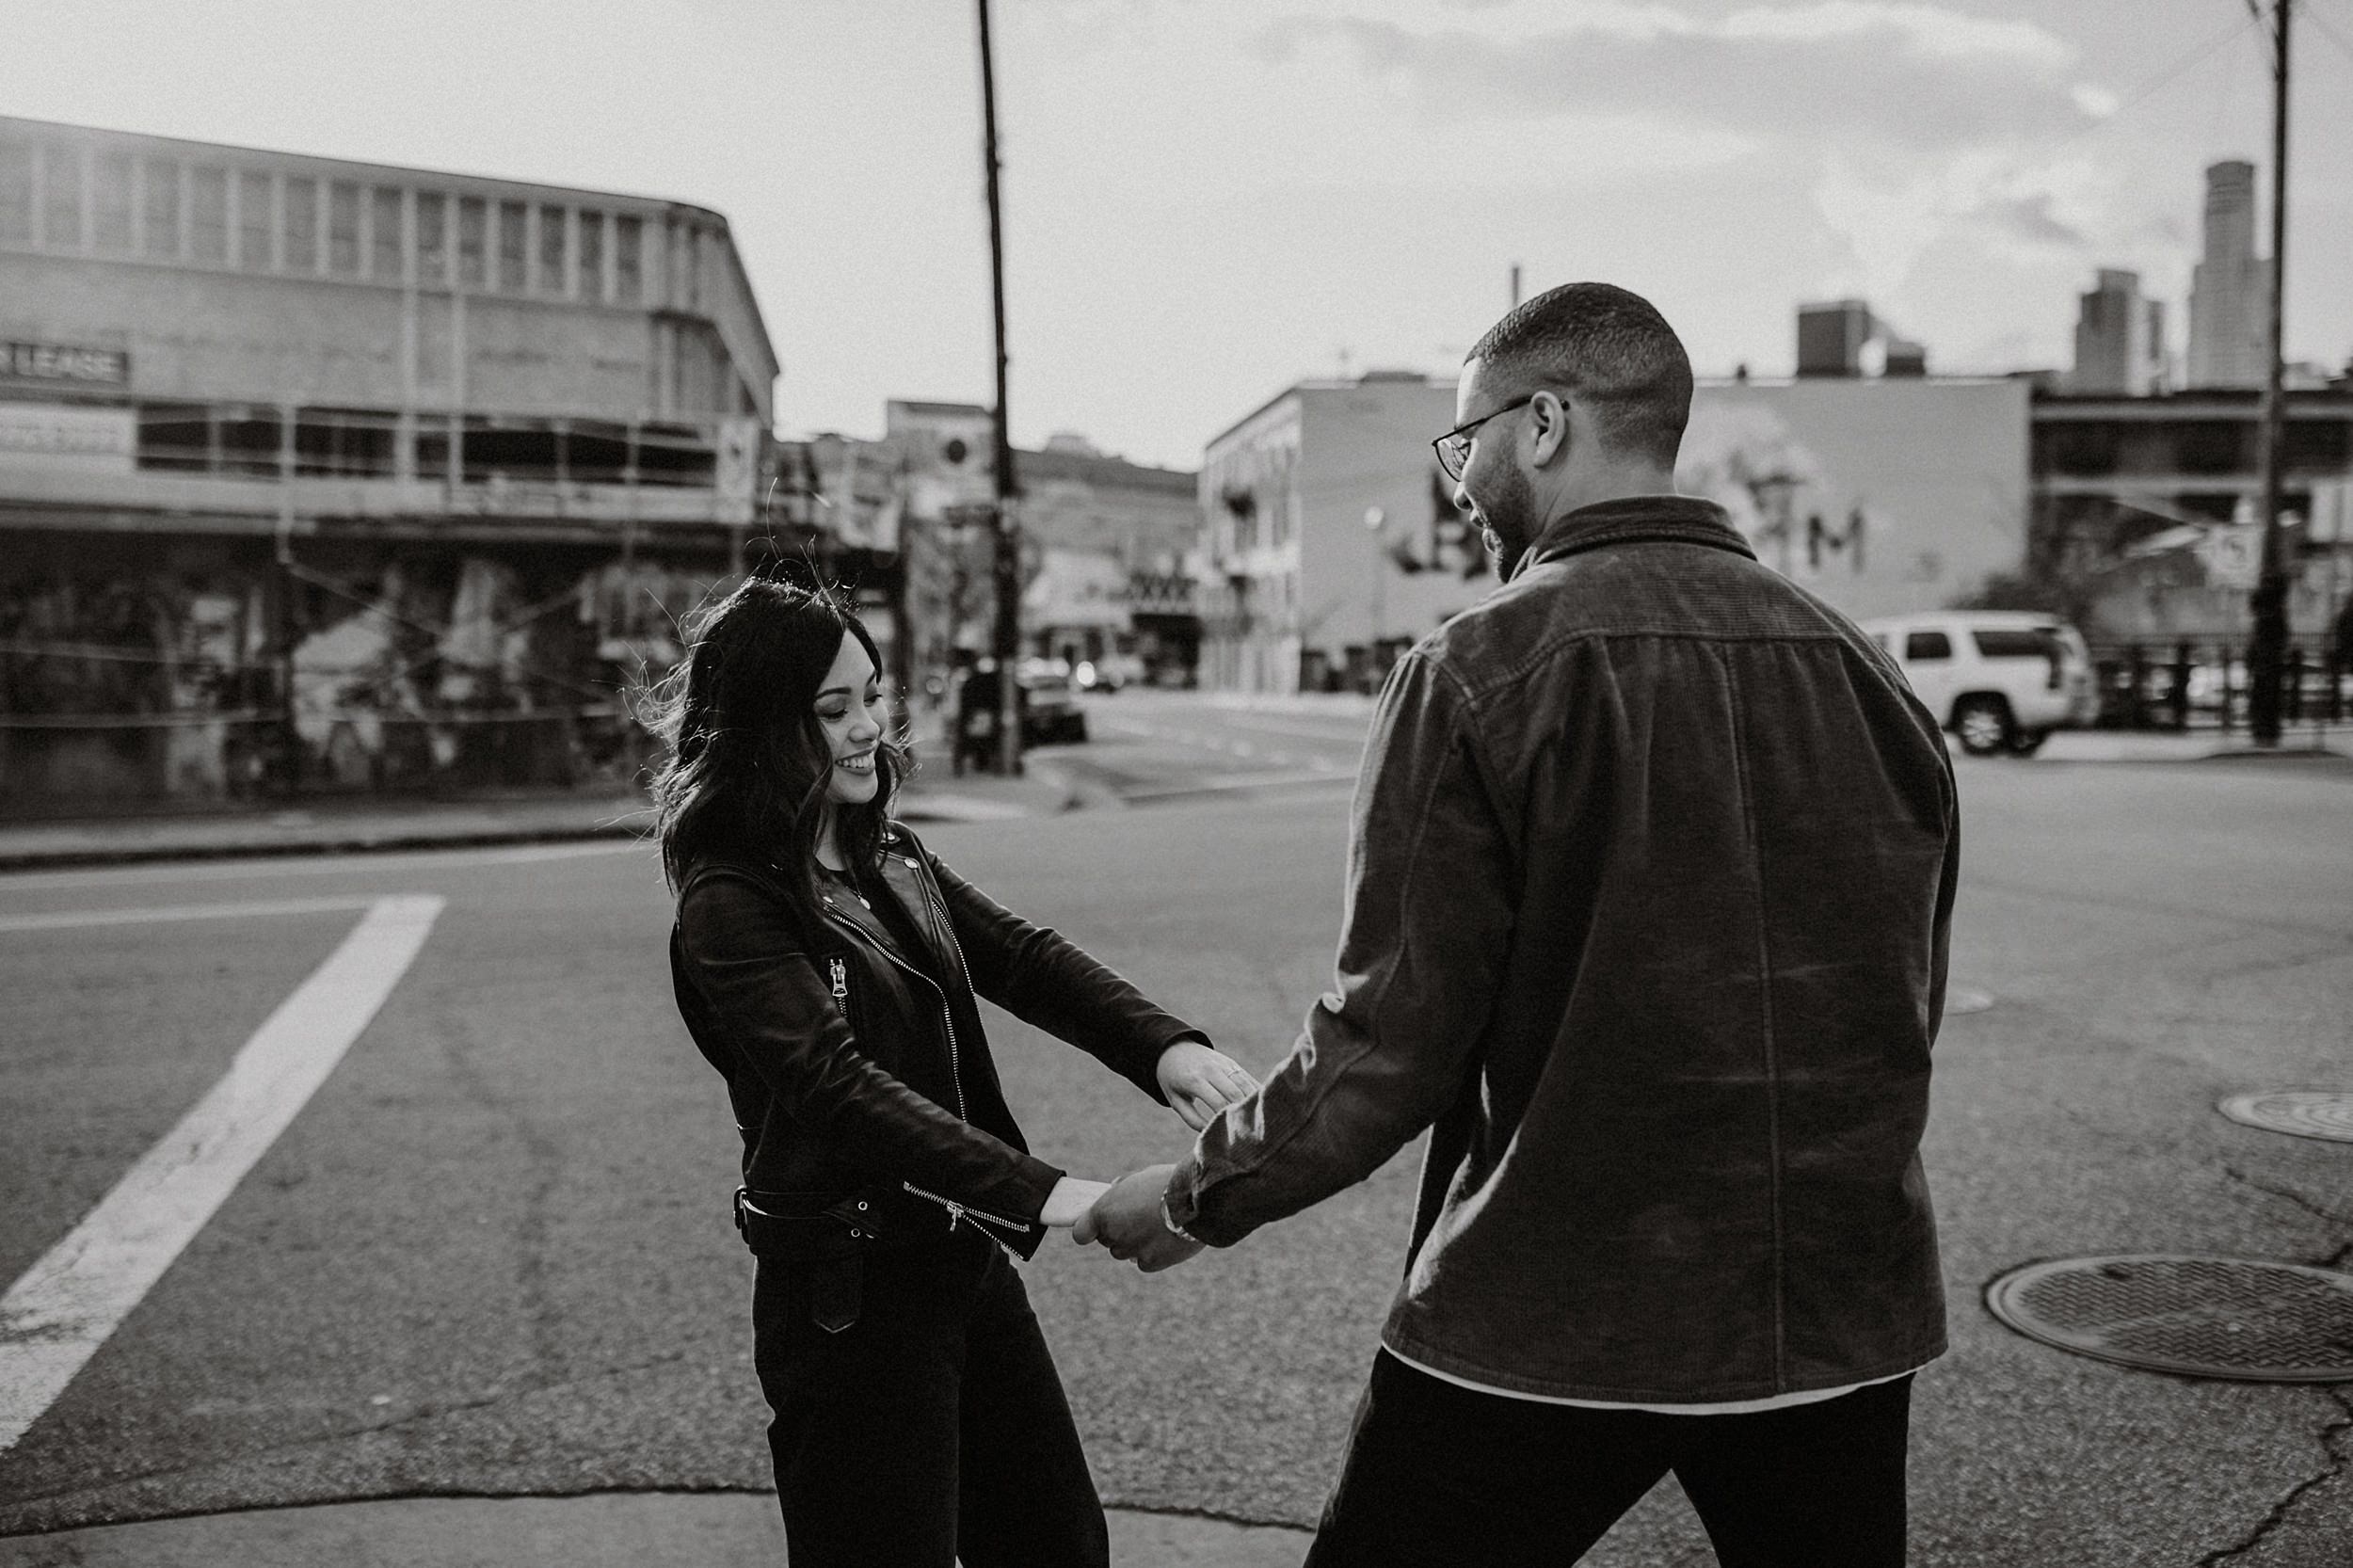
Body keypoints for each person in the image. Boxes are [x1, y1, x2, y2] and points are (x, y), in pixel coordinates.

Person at [1077, 282, 1958, 1567]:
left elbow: (1387, 1040)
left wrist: (1200, 1193)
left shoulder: (1483, 668)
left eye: (1465, 441)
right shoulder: (1869, 672)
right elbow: (1901, 1003)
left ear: (1544, 423)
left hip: (1551, 1310)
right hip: (1836, 1311)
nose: (1460, 479)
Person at [656, 578, 1257, 1568]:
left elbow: (1021, 958)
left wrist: (1164, 1048)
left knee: (1056, 1542)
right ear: (765, 725)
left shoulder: (884, 852)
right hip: (848, 1296)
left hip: (957, 1260)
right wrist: (1062, 1197)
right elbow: (837, 1090)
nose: (866, 727)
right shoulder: (731, 901)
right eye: (833, 709)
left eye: (874, 695)